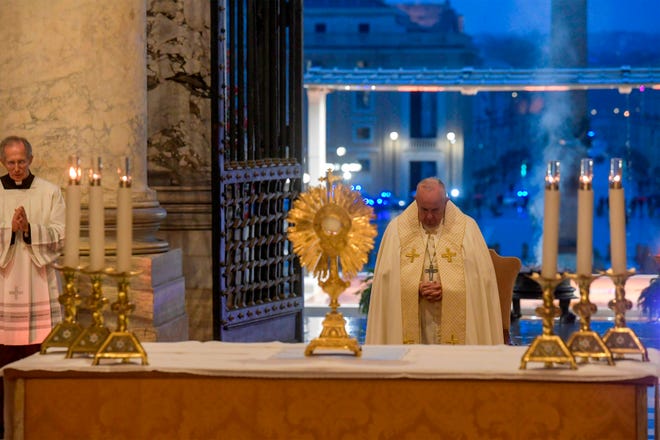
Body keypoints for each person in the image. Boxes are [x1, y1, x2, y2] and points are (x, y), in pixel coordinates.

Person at [366, 177, 503, 345]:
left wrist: (448, 287)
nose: (429, 216)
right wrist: (413, 286)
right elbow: (386, 282)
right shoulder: (396, 231)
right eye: (423, 209)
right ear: (416, 201)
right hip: (415, 320)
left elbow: (480, 282)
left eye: (435, 210)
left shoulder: (468, 229)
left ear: (446, 202)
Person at [0, 136, 65, 432]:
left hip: (37, 279)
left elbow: (61, 235)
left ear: (31, 159)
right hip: (5, 281)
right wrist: (9, 231)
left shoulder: (50, 192)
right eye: (11, 162)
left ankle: (42, 422)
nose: (16, 168)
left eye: (21, 161)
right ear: (3, 162)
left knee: (40, 355)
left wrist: (29, 230)